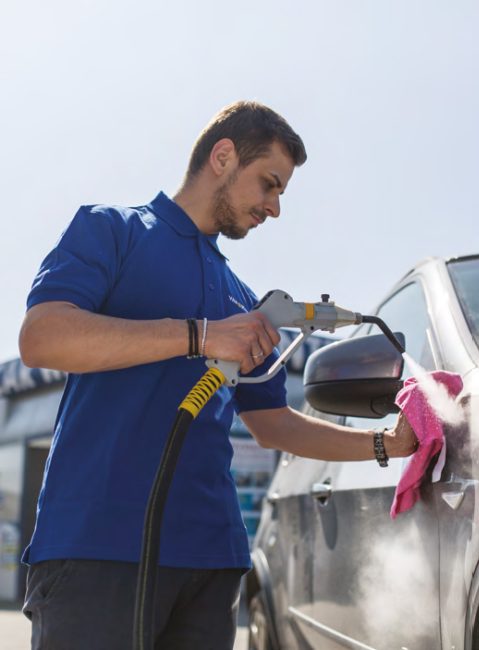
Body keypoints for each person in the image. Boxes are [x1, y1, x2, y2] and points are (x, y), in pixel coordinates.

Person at [18, 100, 417, 650]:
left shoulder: (243, 299)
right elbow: (43, 337)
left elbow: (275, 426)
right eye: (269, 184)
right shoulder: (113, 230)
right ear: (223, 156)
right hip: (97, 549)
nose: (275, 208)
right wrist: (200, 336)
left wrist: (387, 444)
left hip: (212, 561)